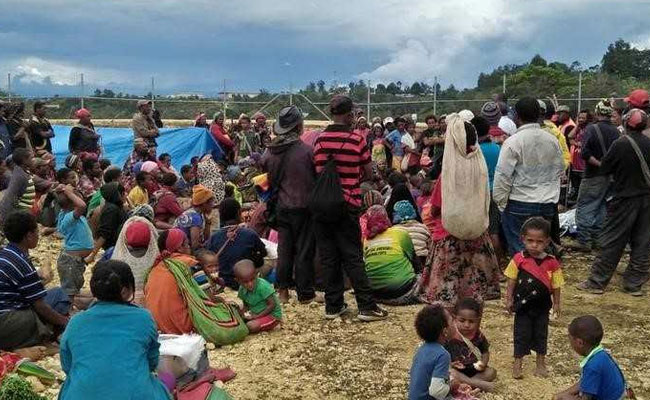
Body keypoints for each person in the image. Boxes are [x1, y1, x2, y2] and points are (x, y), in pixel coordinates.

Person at [312, 95, 388, 321]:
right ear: (350, 114)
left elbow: (317, 170)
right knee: (352, 256)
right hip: (347, 204)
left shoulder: (320, 139)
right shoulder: (357, 140)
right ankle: (366, 306)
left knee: (329, 256)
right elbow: (367, 172)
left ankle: (333, 306)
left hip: (322, 205)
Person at [58, 260, 170, 400]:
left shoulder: (76, 322)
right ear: (125, 290)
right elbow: (152, 361)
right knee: (164, 385)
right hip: (134, 394)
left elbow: (67, 365)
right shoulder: (143, 318)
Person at [420, 115, 501, 308]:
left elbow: (437, 207)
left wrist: (431, 213)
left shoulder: (448, 174)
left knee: (448, 296)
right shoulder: (479, 168)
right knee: (474, 295)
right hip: (477, 235)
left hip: (449, 238)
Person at [577, 109, 650, 296]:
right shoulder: (648, 143)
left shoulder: (621, 144)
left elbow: (606, 167)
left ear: (626, 123)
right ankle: (634, 284)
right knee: (642, 243)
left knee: (613, 240)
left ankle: (597, 282)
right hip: (646, 199)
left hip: (624, 198)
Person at [144, 229, 248, 344]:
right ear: (179, 247)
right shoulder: (190, 264)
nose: (189, 246)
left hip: (160, 328)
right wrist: (223, 301)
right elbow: (207, 297)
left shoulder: (155, 268)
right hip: (182, 328)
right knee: (232, 310)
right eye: (187, 244)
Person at [260, 105, 318, 304]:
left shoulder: (270, 152)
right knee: (303, 250)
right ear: (299, 126)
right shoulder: (307, 151)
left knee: (285, 249)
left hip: (280, 207)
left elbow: (264, 169)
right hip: (304, 207)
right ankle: (305, 293)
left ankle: (283, 292)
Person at [493, 97, 565, 255]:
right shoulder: (552, 140)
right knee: (540, 251)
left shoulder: (513, 142)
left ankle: (525, 278)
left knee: (521, 253)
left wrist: (501, 203)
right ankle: (541, 277)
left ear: (517, 116)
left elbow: (503, 177)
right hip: (547, 203)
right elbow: (560, 169)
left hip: (519, 203)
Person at [0, 211, 69, 352]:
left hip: (6, 309)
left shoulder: (5, 253)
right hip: (6, 321)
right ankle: (44, 337)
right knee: (48, 308)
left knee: (57, 293)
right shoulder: (21, 262)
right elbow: (40, 305)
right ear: (28, 236)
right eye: (36, 232)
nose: (38, 235)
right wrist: (65, 321)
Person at [504, 217, 563, 379]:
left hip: (543, 306)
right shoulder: (519, 259)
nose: (534, 245)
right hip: (522, 306)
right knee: (521, 333)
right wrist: (508, 299)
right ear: (523, 239)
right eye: (530, 240)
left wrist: (556, 303)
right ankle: (518, 363)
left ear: (547, 241)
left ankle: (540, 363)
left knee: (541, 333)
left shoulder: (552, 262)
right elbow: (511, 280)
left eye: (539, 241)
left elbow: (557, 285)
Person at [571, 101, 620, 251]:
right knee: (602, 207)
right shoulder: (616, 131)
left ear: (597, 112)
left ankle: (583, 241)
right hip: (610, 177)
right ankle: (597, 239)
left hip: (593, 175)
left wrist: (599, 165)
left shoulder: (592, 129)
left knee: (586, 206)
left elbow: (585, 153)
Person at [553, 316, 626, 400]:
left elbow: (586, 398)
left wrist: (565, 398)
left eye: (570, 339)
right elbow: (585, 382)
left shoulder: (592, 366)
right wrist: (565, 393)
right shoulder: (600, 353)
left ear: (579, 343)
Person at [362, 205, 420, 305]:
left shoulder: (366, 240)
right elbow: (413, 260)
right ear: (386, 218)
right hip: (404, 292)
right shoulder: (400, 233)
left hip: (376, 295)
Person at [207, 198, 267, 289]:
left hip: (222, 282)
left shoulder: (213, 238)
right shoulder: (249, 234)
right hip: (244, 281)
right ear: (239, 213)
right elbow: (264, 253)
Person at [408, 305, 463, 400]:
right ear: (445, 331)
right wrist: (451, 386)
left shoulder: (421, 349)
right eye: (451, 321)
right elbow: (436, 391)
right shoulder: (443, 354)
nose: (454, 323)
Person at [55, 183, 94, 309]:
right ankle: (67, 313)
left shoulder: (69, 214)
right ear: (73, 204)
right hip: (70, 263)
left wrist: (63, 191)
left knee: (74, 288)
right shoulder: (69, 217)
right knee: (69, 292)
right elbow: (82, 205)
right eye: (75, 198)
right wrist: (69, 193)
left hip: (75, 262)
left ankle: (71, 308)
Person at [445, 298, 496, 392]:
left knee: (491, 372)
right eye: (462, 320)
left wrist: (483, 364)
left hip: (474, 370)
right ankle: (478, 384)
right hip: (457, 370)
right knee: (450, 373)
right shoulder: (450, 334)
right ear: (454, 317)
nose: (467, 325)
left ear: (478, 320)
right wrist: (451, 364)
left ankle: (467, 384)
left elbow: (485, 352)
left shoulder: (478, 335)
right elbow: (442, 356)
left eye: (471, 321)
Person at [111, 218, 159, 305]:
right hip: (153, 302)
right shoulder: (157, 259)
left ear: (125, 239)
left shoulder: (118, 259)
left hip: (125, 304)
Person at [234, 259, 282, 333]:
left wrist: (257, 316)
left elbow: (272, 305)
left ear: (256, 274)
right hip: (256, 314)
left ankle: (272, 324)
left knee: (251, 326)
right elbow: (246, 304)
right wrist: (242, 313)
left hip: (271, 315)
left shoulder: (263, 286)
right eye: (245, 282)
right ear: (238, 281)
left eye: (252, 279)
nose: (250, 284)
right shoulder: (242, 289)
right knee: (236, 315)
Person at [86, 182, 128, 263]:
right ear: (119, 195)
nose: (126, 195)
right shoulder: (111, 209)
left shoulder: (116, 206)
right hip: (114, 246)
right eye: (124, 193)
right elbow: (104, 234)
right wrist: (92, 255)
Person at [0, 148, 36, 225]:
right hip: (20, 216)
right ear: (24, 161)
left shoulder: (24, 172)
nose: (33, 160)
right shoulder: (20, 176)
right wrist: (5, 220)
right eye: (31, 158)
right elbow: (9, 198)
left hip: (24, 213)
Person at [175, 184, 215, 251]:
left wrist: (208, 223)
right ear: (204, 203)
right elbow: (195, 246)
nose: (213, 205)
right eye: (212, 202)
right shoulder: (195, 218)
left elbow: (205, 239)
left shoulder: (194, 212)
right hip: (182, 250)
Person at [392, 200, 431, 267]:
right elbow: (430, 244)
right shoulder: (423, 227)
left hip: (404, 262)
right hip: (423, 260)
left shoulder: (394, 230)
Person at [567, 110, 592, 199]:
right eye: (579, 118)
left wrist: (580, 143)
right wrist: (577, 125)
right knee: (575, 186)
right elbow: (570, 137)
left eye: (583, 118)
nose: (581, 120)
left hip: (583, 165)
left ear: (588, 119)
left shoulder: (589, 129)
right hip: (575, 164)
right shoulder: (579, 128)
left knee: (583, 188)